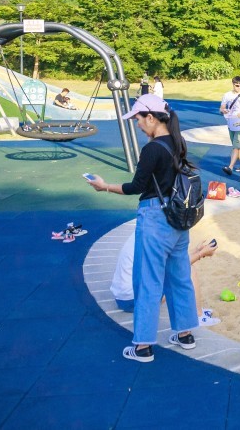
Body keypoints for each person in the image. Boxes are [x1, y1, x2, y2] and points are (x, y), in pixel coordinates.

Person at [85, 93, 198, 363]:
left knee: (148, 281)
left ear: (151, 117)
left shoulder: (152, 149)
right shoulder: (177, 141)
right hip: (179, 218)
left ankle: (144, 346)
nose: (137, 124)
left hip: (155, 217)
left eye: (138, 119)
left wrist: (105, 187)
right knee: (179, 278)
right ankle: (185, 334)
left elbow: (137, 187)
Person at [111, 235, 221, 326]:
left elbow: (173, 260)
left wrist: (197, 251)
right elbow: (178, 265)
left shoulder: (146, 230)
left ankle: (197, 311)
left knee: (180, 268)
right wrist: (201, 254)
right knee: (188, 269)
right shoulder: (157, 237)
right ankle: (197, 316)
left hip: (123, 298)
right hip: (134, 299)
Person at [219, 76, 240, 177]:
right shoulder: (227, 95)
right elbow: (221, 108)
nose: (239, 87)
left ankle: (230, 166)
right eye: (237, 85)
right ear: (233, 84)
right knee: (238, 146)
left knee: (237, 145)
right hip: (231, 121)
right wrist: (224, 110)